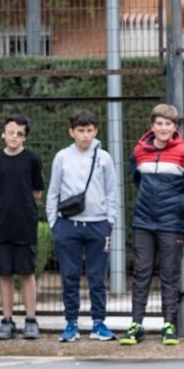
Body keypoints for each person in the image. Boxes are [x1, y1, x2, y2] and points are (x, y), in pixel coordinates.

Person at [120, 104, 184, 347]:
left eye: (168, 124)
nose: (163, 128)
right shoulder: (138, 151)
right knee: (141, 273)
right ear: (152, 126)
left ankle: (169, 326)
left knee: (169, 274)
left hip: (171, 223)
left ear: (175, 127)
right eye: (159, 123)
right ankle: (136, 325)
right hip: (143, 222)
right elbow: (137, 180)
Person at [45, 109, 119, 343]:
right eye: (80, 130)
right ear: (72, 132)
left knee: (97, 277)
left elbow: (112, 190)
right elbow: (53, 191)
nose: (85, 135)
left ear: (95, 131)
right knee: (70, 276)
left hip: (98, 224)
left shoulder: (104, 158)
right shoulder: (62, 157)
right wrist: (54, 223)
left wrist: (110, 221)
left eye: (89, 130)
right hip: (68, 225)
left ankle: (99, 323)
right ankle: (71, 323)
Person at [0, 113, 44, 340]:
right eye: (11, 132)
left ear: (25, 137)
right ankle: (7, 321)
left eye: (19, 134)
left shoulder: (32, 160)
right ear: (3, 134)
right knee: (5, 274)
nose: (14, 137)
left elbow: (37, 192)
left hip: (25, 225)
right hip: (1, 226)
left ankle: (31, 320)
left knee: (27, 272)